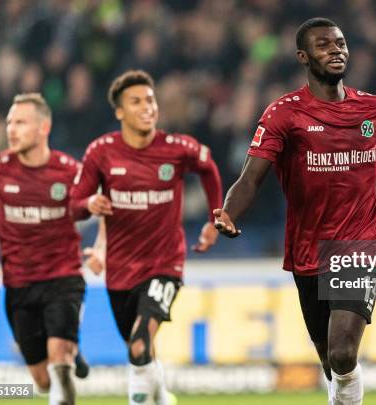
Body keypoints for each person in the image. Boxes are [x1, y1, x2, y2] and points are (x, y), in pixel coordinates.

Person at [214, 18, 376, 405]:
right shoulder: (283, 114)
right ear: (303, 57)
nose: (335, 50)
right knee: (329, 362)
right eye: (324, 45)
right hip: (308, 249)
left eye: (339, 43)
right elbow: (251, 177)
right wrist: (229, 212)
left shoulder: (373, 109)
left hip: (360, 244)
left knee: (342, 352)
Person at [70, 70, 222, 405]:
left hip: (164, 264)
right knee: (139, 349)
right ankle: (162, 397)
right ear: (120, 112)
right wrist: (89, 203)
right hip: (120, 270)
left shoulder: (176, 148)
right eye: (135, 101)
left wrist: (215, 218)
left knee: (139, 344)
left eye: (150, 100)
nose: (146, 107)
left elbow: (208, 166)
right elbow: (73, 206)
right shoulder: (101, 152)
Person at [0, 93, 87, 405]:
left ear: (43, 128)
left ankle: (68, 347)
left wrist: (102, 249)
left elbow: (99, 207)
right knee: (42, 379)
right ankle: (71, 349)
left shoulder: (68, 171)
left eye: (20, 122)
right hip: (19, 283)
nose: (11, 129)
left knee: (59, 359)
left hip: (63, 277)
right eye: (10, 122)